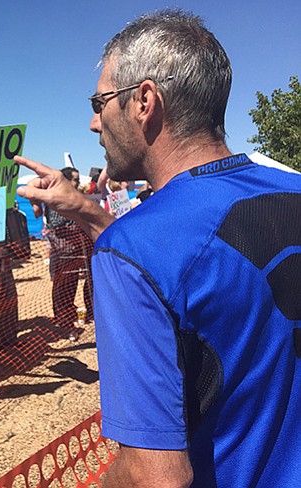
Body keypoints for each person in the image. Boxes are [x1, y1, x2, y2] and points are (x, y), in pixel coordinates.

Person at [16, 9, 301, 487]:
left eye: (99, 100)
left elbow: (158, 477)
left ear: (144, 101)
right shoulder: (289, 188)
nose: (93, 122)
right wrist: (89, 211)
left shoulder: (133, 252)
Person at [44, 167, 93, 335]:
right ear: (65, 180)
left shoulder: (74, 196)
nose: (78, 183)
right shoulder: (54, 197)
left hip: (75, 250)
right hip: (62, 251)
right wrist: (76, 214)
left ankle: (68, 319)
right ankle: (62, 321)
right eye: (75, 180)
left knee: (71, 286)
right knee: (62, 287)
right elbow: (55, 223)